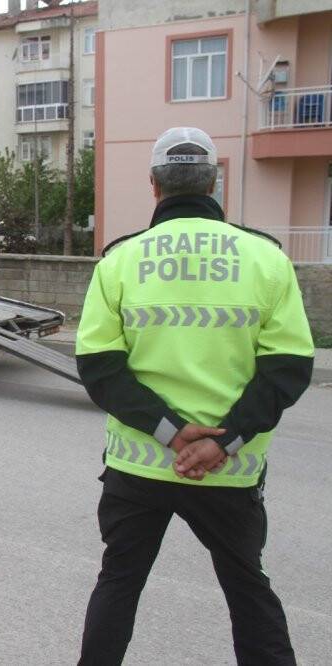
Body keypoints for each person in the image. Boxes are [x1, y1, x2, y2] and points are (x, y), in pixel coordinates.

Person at [75, 127, 314, 665]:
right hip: (229, 471)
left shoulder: (119, 261)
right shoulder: (266, 259)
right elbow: (288, 368)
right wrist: (224, 441)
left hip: (139, 467)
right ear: (213, 184)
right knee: (248, 589)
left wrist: (170, 432)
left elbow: (100, 367)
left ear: (154, 185)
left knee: (119, 584)